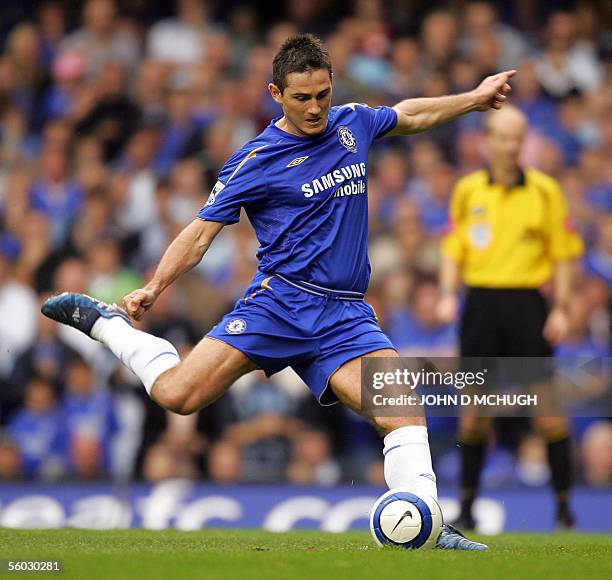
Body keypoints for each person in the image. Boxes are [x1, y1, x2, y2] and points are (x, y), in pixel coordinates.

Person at [43, 33, 516, 549]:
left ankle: (427, 522)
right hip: (280, 305)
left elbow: (411, 115)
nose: (315, 109)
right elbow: (201, 233)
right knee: (178, 396)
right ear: (276, 93)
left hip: (344, 315)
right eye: (302, 98)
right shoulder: (257, 160)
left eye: (323, 95)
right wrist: (153, 287)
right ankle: (110, 327)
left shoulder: (352, 123)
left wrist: (473, 98)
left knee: (400, 402)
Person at [437, 105, 584, 530]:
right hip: (481, 304)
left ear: (525, 142)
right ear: (488, 141)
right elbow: (451, 248)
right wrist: (449, 294)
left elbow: (564, 256)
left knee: (548, 411)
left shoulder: (545, 191)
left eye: (518, 137)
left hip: (526, 304)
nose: (510, 145)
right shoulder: (467, 191)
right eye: (503, 137)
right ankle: (466, 506)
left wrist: (560, 307)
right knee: (474, 412)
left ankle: (563, 508)